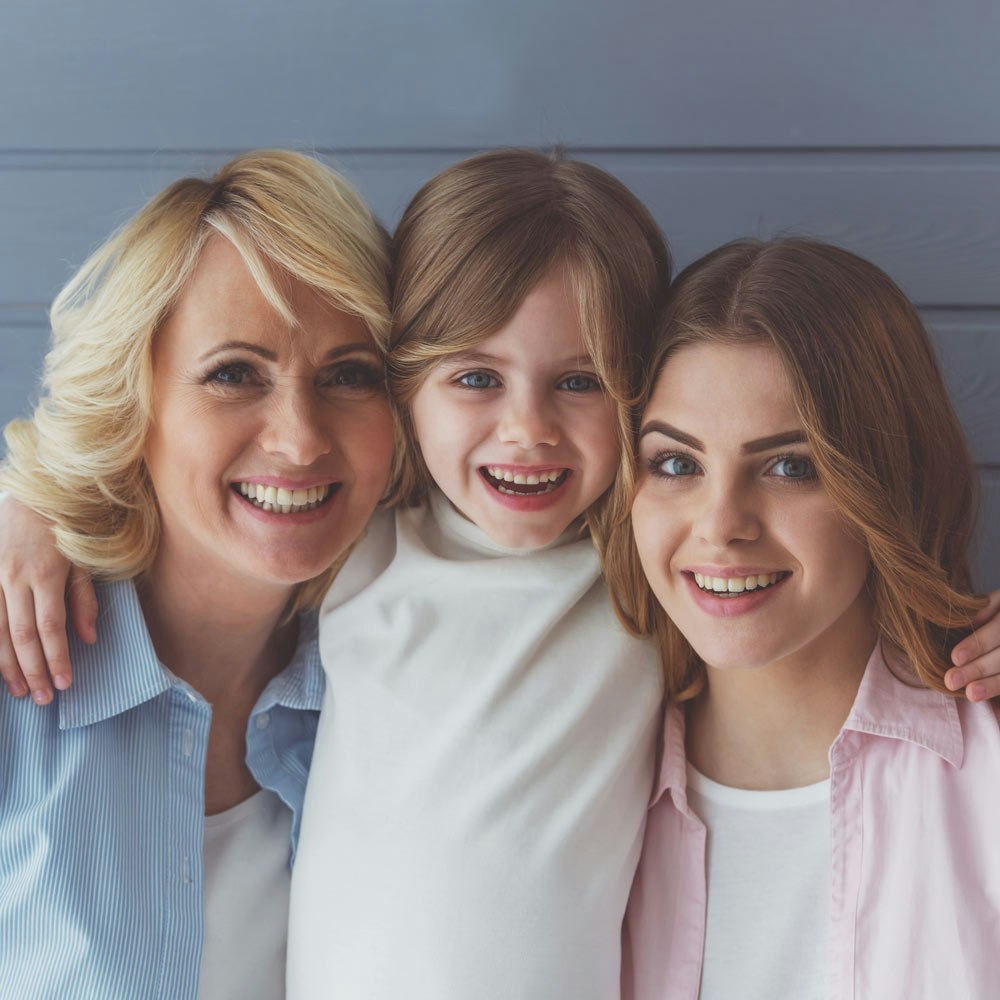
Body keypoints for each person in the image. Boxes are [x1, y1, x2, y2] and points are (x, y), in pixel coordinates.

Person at [0, 149, 396, 999]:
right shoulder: (16, 666)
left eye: (349, 375)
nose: (299, 438)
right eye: (233, 374)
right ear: (135, 405)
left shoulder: (401, 682)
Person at [609, 238, 1000, 1000]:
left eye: (792, 466)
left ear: (891, 485)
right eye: (677, 464)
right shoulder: (583, 782)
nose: (721, 525)